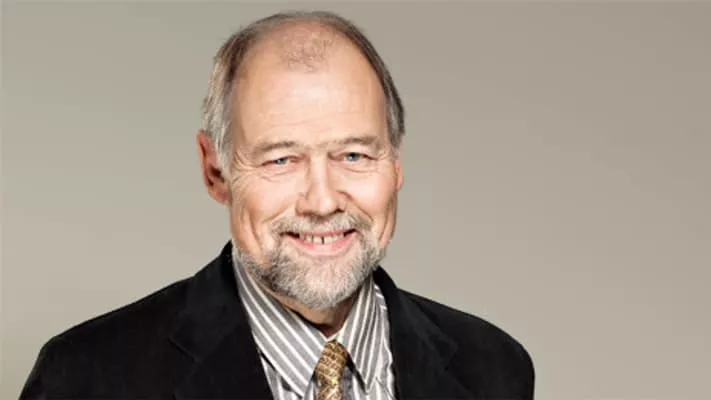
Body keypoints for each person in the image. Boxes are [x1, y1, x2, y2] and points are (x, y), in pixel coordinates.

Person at [20, 10, 534, 400]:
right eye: (281, 159)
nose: (322, 201)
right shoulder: (84, 379)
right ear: (215, 170)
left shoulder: (494, 369)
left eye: (354, 155)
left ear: (395, 163)